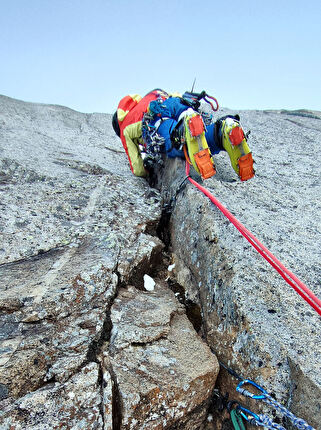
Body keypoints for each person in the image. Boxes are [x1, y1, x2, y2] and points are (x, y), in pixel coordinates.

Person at [112, 89, 254, 181]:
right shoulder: (149, 97)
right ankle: (222, 130)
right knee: (200, 132)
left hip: (156, 114)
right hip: (178, 102)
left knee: (172, 136)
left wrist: (148, 169)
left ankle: (182, 131)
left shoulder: (125, 126)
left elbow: (137, 168)